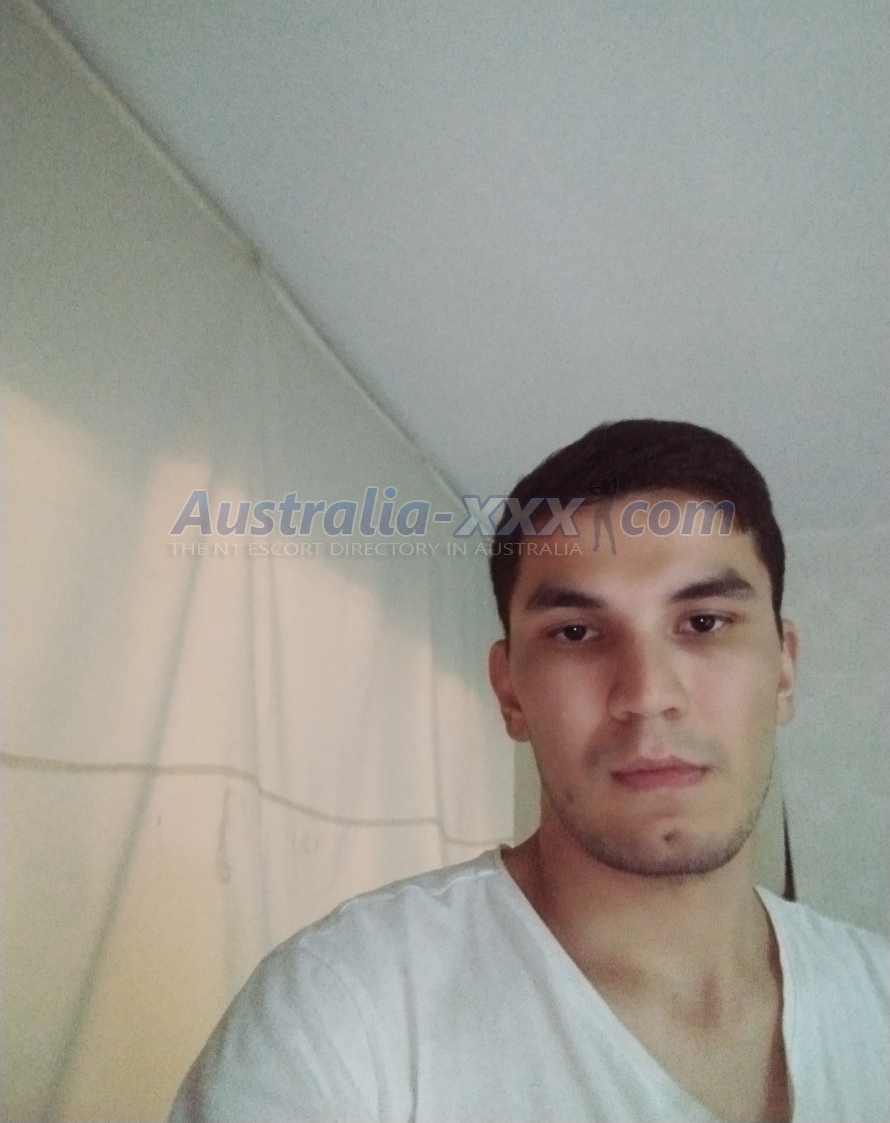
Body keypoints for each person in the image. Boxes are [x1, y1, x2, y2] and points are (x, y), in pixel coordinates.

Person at [169, 419, 888, 1123]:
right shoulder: (341, 1015)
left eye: (704, 622)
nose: (647, 695)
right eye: (575, 632)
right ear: (510, 690)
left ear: (784, 669)